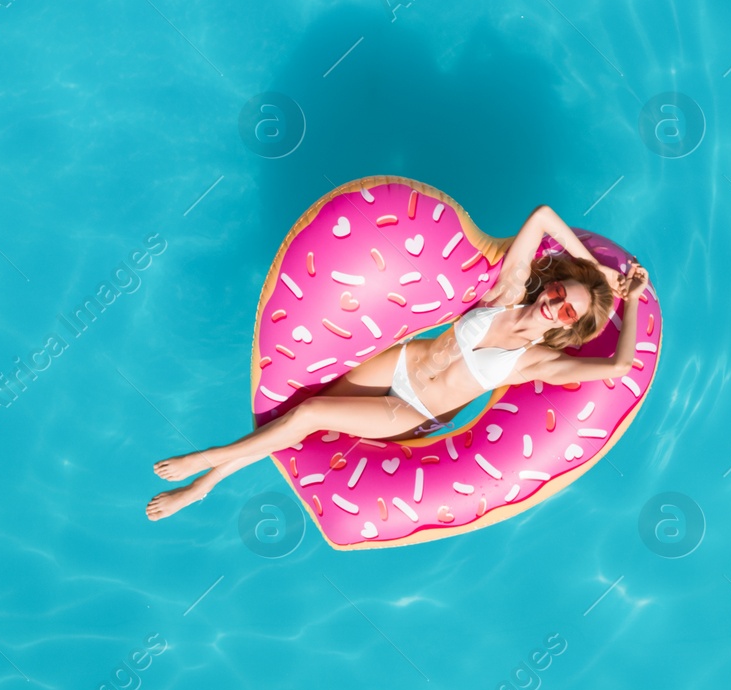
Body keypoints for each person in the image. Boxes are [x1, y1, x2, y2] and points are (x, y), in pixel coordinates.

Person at [147, 204, 650, 520]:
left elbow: (617, 368)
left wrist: (628, 305)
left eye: (566, 310)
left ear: (568, 327)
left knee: (308, 417)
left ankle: (205, 466)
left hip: (410, 412)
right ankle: (202, 487)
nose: (554, 303)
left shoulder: (534, 361)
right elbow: (541, 215)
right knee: (290, 416)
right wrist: (600, 272)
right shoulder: (510, 291)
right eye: (560, 290)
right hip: (397, 364)